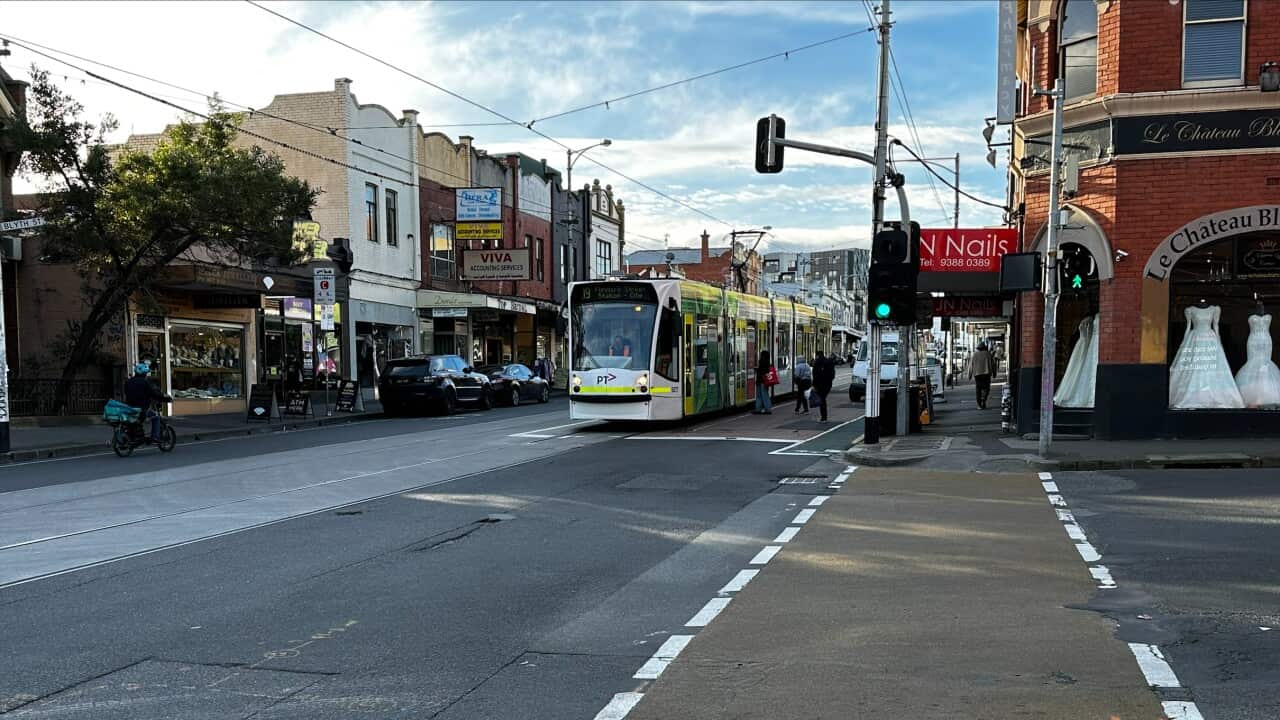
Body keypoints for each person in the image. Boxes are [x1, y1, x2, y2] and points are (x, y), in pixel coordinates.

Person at [124, 361, 172, 442]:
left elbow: (126, 393)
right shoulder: (145, 382)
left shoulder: (128, 382)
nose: (147, 375)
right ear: (144, 373)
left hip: (130, 408)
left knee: (139, 420)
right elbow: (154, 394)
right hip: (142, 408)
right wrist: (165, 399)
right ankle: (155, 437)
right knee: (156, 417)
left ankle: (137, 434)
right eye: (146, 373)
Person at [969, 342, 996, 409]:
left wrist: (969, 375)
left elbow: (970, 366)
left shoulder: (974, 355)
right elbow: (993, 365)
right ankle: (984, 399)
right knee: (987, 388)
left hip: (977, 374)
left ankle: (979, 405)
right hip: (986, 374)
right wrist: (994, 374)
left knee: (978, 389)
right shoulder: (988, 354)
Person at [812, 352, 836, 422]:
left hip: (819, 384)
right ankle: (824, 417)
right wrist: (829, 380)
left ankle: (823, 417)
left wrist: (814, 385)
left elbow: (815, 375)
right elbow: (833, 374)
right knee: (823, 399)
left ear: (817, 356)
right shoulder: (829, 362)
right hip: (827, 384)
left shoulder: (817, 363)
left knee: (822, 400)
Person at [754, 350, 774, 414]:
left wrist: (757, 369)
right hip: (764, 381)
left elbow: (761, 371)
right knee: (765, 395)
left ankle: (760, 409)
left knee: (759, 395)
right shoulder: (768, 362)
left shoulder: (762, 362)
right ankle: (766, 409)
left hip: (761, 381)